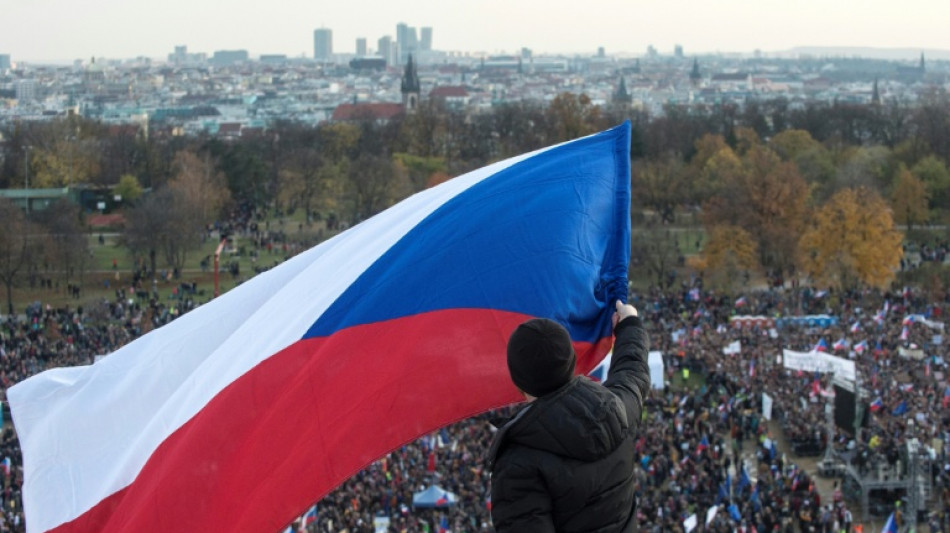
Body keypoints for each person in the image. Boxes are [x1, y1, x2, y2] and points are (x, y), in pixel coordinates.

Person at [488, 300, 650, 532]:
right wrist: (630, 323)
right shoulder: (616, 409)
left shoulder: (518, 466)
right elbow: (633, 371)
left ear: (517, 381)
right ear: (571, 362)